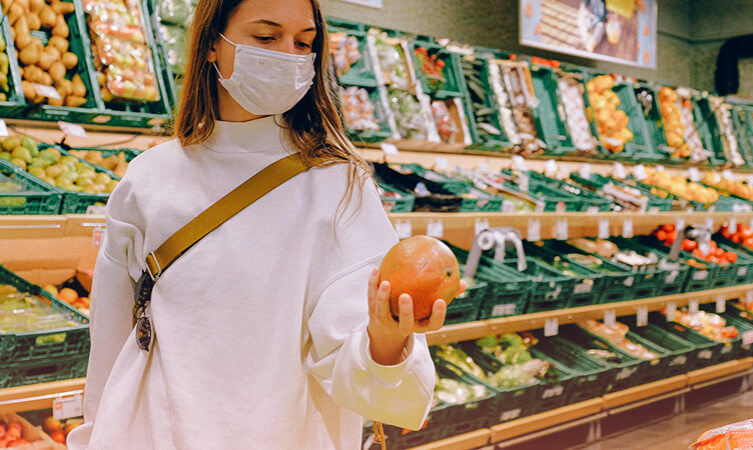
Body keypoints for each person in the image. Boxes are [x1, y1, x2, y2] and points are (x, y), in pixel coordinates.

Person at [67, 0, 463, 448]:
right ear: (212, 42)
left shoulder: (339, 188)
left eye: (304, 43)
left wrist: (387, 341)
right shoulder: (148, 179)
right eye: (265, 37)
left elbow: (366, 374)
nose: (288, 56)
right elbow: (111, 341)